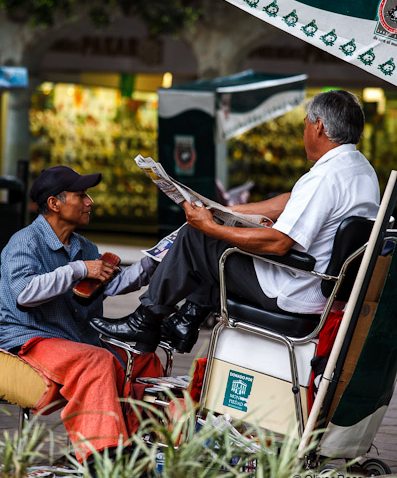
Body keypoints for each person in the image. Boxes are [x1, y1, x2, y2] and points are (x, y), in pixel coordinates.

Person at [90, 90, 380, 354]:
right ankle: (186, 320)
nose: (303, 131)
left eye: (305, 123)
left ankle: (146, 320)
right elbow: (292, 200)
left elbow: (279, 243)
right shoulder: (360, 170)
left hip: (296, 290)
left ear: (318, 126)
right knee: (213, 243)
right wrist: (227, 211)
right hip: (320, 285)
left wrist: (211, 226)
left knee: (199, 239)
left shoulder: (325, 178)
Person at [0, 165, 163, 463]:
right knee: (96, 360)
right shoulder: (24, 242)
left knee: (144, 358)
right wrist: (80, 269)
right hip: (30, 341)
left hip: (74, 340)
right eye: (81, 195)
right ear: (54, 203)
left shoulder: (84, 246)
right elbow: (24, 293)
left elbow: (111, 285)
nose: (90, 202)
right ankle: (101, 456)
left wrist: (155, 261)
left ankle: (144, 447)